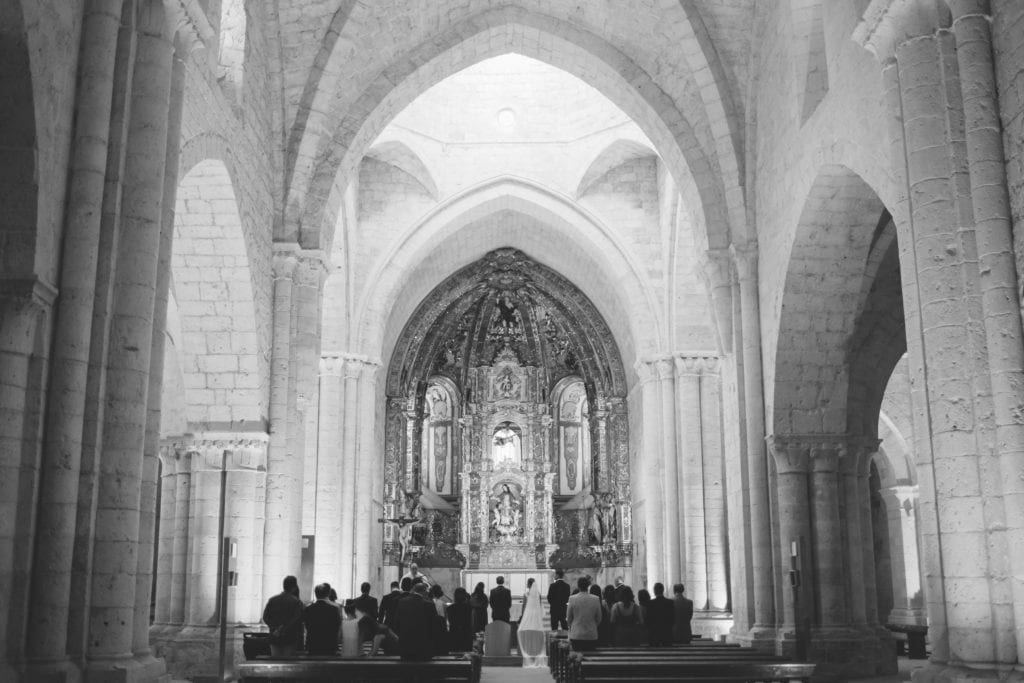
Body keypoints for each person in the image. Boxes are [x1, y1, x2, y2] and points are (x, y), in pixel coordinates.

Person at [262, 575, 304, 657]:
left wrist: (275, 628)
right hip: (290, 637)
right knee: (288, 663)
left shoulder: (272, 600)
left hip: (274, 636)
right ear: (294, 587)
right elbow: (296, 619)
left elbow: (265, 617)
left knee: (275, 662)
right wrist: (283, 629)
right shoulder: (296, 602)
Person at [393, 583, 436, 660]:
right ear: (425, 591)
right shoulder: (429, 605)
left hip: (406, 648)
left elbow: (396, 623)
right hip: (423, 649)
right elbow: (434, 627)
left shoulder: (402, 602)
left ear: (413, 590)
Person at [566, 576, 602, 652]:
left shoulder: (572, 598)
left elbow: (569, 618)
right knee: (591, 660)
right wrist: (593, 625)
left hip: (576, 634)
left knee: (578, 660)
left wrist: (572, 627)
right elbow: (599, 618)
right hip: (591, 634)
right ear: (588, 585)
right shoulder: (596, 599)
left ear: (578, 586)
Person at [304, 583, 341, 655]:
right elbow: (337, 628)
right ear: (327, 594)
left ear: (316, 594)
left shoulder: (308, 609)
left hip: (313, 645)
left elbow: (307, 626)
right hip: (329, 646)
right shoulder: (333, 609)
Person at [517, 578, 547, 667]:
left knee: (525, 630)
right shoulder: (538, 594)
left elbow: (524, 607)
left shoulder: (526, 594)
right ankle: (535, 650)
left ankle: (527, 650)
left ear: (529, 584)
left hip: (528, 614)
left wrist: (522, 617)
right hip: (536, 614)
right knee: (536, 630)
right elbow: (540, 605)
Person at [447, 587, 474, 652]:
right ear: (465, 596)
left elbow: (449, 622)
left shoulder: (449, 608)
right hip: (466, 633)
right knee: (466, 655)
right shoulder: (470, 608)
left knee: (453, 655)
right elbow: (472, 623)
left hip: (454, 634)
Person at [429, 583, 450, 655]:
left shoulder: (429, 602)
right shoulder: (443, 604)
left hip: (431, 626)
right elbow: (446, 618)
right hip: (441, 626)